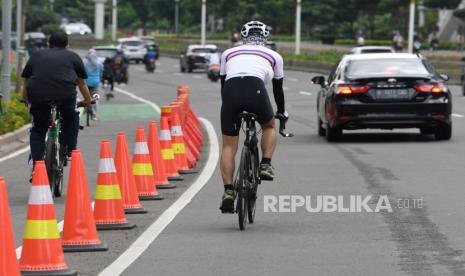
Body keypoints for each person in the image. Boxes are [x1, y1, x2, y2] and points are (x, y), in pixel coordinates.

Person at [219, 21, 288, 213]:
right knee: (268, 126)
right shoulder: (274, 55)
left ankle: (228, 191)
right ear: (265, 36)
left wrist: (228, 106)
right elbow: (277, 90)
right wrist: (281, 112)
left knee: (228, 146)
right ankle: (265, 164)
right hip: (255, 90)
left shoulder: (228, 53)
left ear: (243, 36)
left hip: (231, 94)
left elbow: (223, 85)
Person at [21, 32, 92, 166]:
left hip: (38, 95)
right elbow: (81, 82)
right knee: (71, 117)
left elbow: (27, 80)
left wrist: (25, 98)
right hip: (65, 95)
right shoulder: (73, 56)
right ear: (67, 45)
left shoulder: (36, 55)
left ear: (49, 43)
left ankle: (37, 165)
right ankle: (71, 149)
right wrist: (87, 100)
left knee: (38, 129)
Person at [84, 49, 103, 120]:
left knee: (86, 95)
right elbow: (101, 71)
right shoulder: (99, 62)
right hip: (95, 82)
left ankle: (86, 107)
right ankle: (94, 114)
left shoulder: (85, 62)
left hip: (86, 82)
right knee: (95, 97)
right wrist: (100, 78)